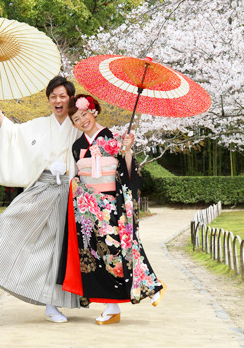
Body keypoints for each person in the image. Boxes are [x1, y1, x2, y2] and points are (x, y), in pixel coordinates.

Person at [0, 76, 81, 323]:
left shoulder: (77, 124)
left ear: (70, 99)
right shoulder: (40, 124)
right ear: (48, 100)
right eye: (53, 96)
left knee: (57, 250)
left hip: (69, 190)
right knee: (10, 219)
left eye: (63, 96)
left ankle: (53, 304)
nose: (58, 100)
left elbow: (94, 141)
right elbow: (15, 133)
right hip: (43, 185)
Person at [58, 94, 166, 324]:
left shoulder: (116, 138)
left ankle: (151, 286)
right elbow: (78, 175)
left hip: (112, 208)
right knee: (99, 260)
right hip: (88, 211)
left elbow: (129, 174)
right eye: (76, 118)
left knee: (119, 254)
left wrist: (126, 150)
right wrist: (77, 183)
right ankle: (113, 306)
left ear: (94, 111)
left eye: (84, 114)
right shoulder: (78, 146)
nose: (82, 120)